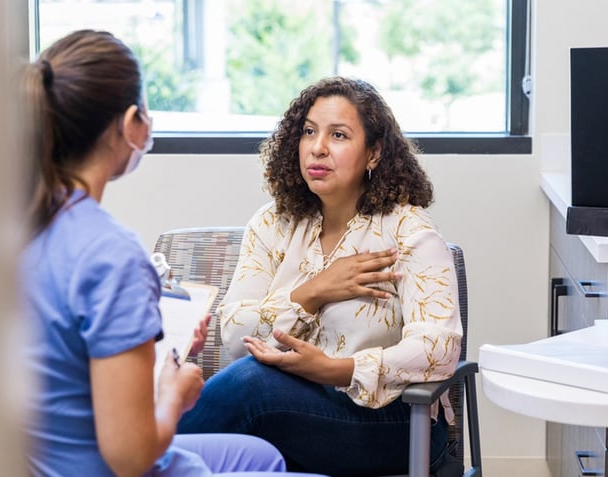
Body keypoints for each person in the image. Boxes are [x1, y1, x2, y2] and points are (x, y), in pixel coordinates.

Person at [19, 29, 329, 477]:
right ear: (131, 124)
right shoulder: (111, 253)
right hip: (110, 463)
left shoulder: (21, 227)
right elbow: (130, 456)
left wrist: (165, 354)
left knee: (263, 456)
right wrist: (175, 394)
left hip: (52, 455)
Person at [176, 76, 464, 476]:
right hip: (293, 412)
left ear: (374, 153)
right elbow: (234, 333)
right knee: (247, 386)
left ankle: (128, 459)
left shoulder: (408, 232)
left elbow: (439, 348)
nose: (318, 147)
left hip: (392, 421)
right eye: (309, 131)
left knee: (249, 385)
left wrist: (338, 370)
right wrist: (313, 292)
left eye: (339, 135)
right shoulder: (272, 223)